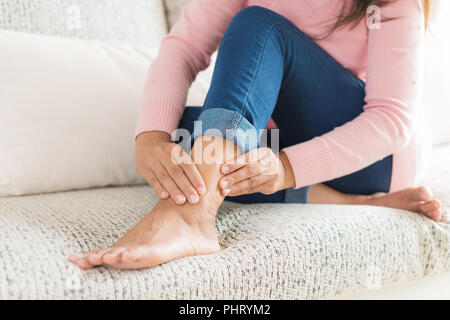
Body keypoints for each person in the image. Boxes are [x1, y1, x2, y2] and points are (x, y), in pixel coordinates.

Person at [69, 0, 441, 270]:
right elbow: (185, 47)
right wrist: (150, 139)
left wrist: (286, 168)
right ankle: (347, 203)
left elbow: (391, 119)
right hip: (281, 138)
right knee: (183, 133)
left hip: (375, 159)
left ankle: (189, 218)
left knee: (257, 25)